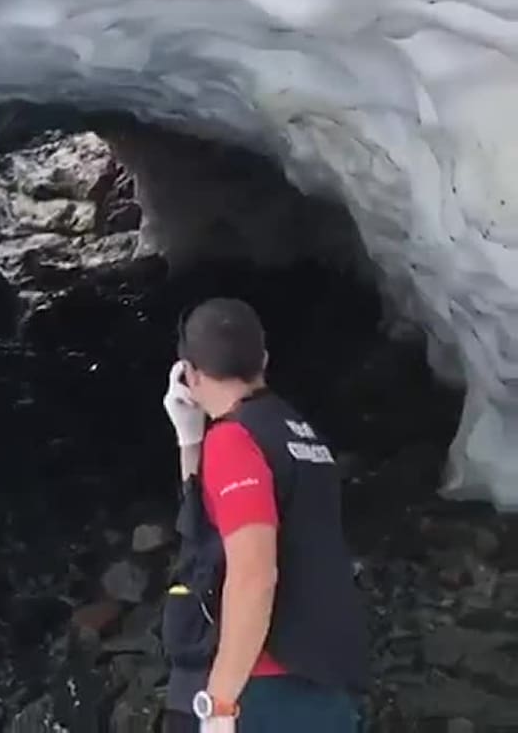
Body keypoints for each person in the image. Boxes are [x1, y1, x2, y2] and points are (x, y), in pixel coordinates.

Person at [158, 297, 369, 732]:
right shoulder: (298, 433)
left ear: (190, 373)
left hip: (265, 685)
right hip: (325, 676)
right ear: (264, 361)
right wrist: (189, 440)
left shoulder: (234, 441)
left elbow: (253, 574)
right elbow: (209, 527)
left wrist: (220, 702)